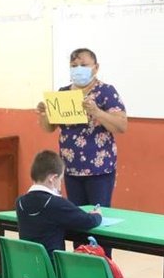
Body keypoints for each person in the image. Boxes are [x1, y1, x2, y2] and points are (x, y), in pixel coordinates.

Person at [35, 48, 128, 213]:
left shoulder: (106, 91)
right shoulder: (63, 93)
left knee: (99, 215)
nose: (78, 69)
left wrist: (97, 112)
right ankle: (80, 241)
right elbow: (49, 128)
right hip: (70, 167)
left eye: (83, 65)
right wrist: (44, 115)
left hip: (99, 169)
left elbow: (121, 125)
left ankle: (95, 241)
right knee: (76, 215)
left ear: (96, 67)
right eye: (74, 65)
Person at [15, 150, 102, 255]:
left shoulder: (20, 202)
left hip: (30, 265)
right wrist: (98, 215)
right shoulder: (57, 203)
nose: (61, 183)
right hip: (53, 267)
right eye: (60, 179)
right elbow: (89, 221)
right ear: (52, 178)